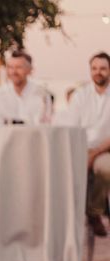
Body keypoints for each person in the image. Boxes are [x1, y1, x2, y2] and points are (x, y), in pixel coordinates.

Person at [65, 51, 110, 237]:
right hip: (81, 147)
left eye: (103, 68)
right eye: (94, 68)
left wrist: (94, 154)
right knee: (67, 171)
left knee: (106, 168)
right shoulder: (80, 96)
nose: (98, 72)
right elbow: (72, 128)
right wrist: (83, 153)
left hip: (105, 149)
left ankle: (94, 212)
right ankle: (68, 220)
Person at [0, 50, 52, 125]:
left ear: (30, 70)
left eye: (19, 67)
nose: (14, 72)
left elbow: (45, 124)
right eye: (10, 67)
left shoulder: (42, 94)